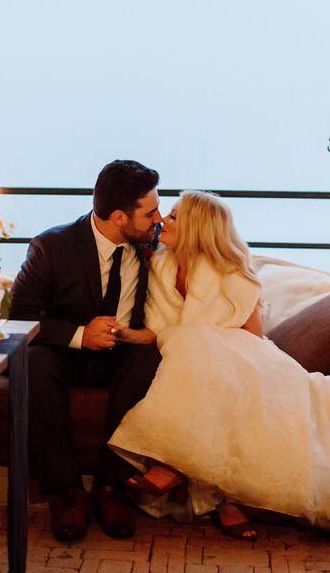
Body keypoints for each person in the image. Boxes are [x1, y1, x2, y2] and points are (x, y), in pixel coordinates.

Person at [109, 190, 330, 539]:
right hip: (187, 358)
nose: (164, 220)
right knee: (190, 345)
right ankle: (226, 501)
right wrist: (126, 335)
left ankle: (171, 463)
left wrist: (216, 350)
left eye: (175, 216)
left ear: (197, 226)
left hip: (243, 357)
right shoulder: (161, 266)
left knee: (203, 350)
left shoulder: (232, 271)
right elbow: (161, 331)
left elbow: (252, 338)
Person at [10, 159, 163, 541]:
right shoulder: (52, 246)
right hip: (67, 357)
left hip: (123, 356)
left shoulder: (153, 246)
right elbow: (19, 319)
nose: (159, 218)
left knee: (149, 357)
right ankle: (67, 491)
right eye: (150, 211)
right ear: (119, 217)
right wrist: (80, 334)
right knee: (34, 360)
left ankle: (111, 488)